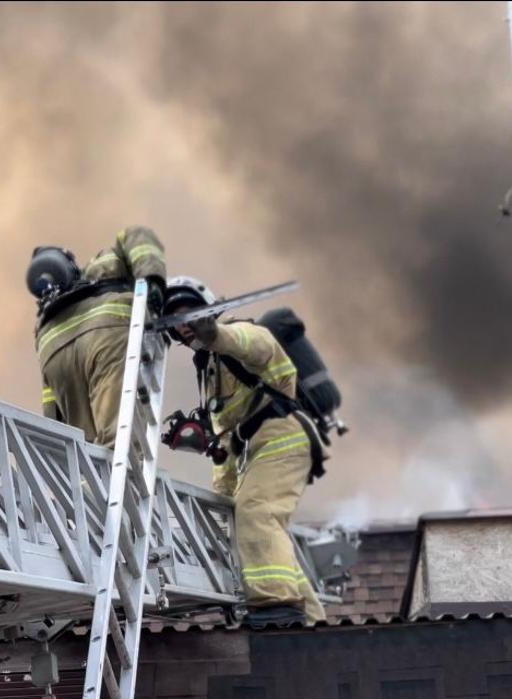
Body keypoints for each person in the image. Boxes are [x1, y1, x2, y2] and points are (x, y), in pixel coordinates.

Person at [163, 275, 327, 626]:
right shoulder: (209, 370)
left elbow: (256, 345)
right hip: (255, 447)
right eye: (175, 319)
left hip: (283, 436)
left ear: (208, 311)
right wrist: (223, 498)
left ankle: (277, 607)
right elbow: (225, 441)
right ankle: (312, 621)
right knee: (255, 524)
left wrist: (215, 335)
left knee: (257, 512)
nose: (183, 324)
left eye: (189, 312)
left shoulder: (241, 334)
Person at [29, 226, 166, 447]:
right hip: (105, 333)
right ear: (70, 265)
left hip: (54, 355)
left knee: (83, 444)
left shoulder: (45, 315)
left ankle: (86, 466)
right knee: (117, 435)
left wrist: (56, 437)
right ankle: (121, 461)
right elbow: (137, 235)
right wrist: (152, 281)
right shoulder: (102, 263)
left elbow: (50, 395)